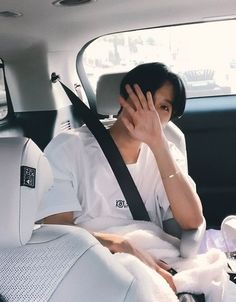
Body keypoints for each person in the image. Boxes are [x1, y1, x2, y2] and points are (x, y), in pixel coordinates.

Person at [36, 62, 204, 292]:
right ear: (123, 98)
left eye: (163, 107)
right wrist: (122, 245)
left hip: (153, 258)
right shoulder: (68, 148)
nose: (149, 114)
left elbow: (192, 221)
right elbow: (57, 228)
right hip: (90, 260)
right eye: (143, 100)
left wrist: (159, 146)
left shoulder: (166, 154)